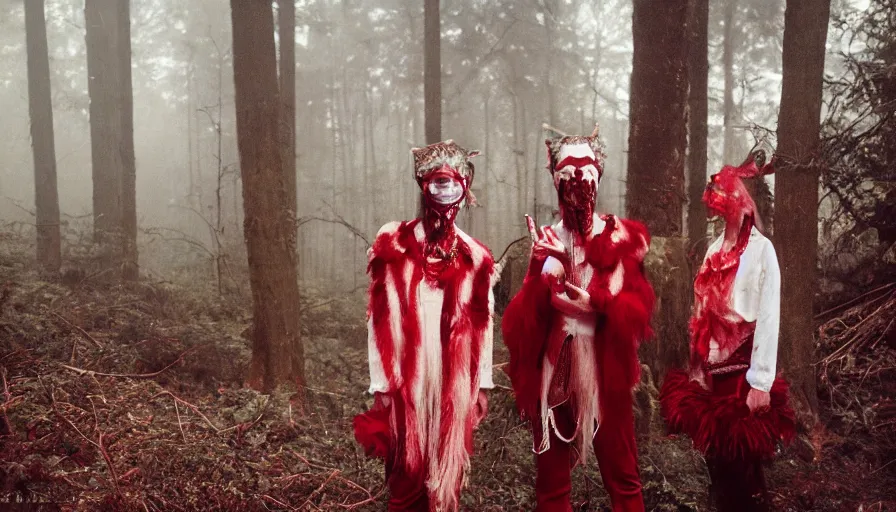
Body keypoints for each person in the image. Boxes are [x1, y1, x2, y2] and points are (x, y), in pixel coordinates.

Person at [502, 127, 655, 511]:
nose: (577, 178)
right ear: (555, 179)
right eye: (566, 170)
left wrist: (598, 305)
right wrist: (533, 271)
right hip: (555, 372)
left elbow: (638, 313)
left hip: (606, 374)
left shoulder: (621, 236)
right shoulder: (547, 239)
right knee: (552, 484)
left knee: (622, 477)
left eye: (586, 168)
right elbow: (520, 328)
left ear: (598, 175)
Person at [353, 140, 495, 511]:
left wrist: (481, 385)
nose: (445, 191)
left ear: (466, 189)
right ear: (422, 186)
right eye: (436, 183)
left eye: (453, 183)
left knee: (446, 484)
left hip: (453, 383)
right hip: (406, 384)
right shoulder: (395, 244)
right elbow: (378, 318)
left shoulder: (476, 257)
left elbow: (483, 325)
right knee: (406, 482)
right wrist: (381, 383)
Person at [659, 151, 795, 512]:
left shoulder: (763, 251)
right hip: (714, 379)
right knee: (718, 468)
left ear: (746, 201)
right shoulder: (713, 251)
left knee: (744, 469)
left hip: (744, 379)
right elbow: (700, 315)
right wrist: (697, 371)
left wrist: (761, 383)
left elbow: (769, 316)